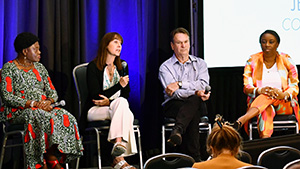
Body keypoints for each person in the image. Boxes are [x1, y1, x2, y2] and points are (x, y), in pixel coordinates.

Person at [0, 32, 83, 169]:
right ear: (25, 51)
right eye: (36, 49)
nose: (39, 52)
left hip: (42, 109)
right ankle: (40, 162)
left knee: (65, 116)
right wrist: (33, 104)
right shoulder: (9, 68)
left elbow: (52, 92)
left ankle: (53, 156)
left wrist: (48, 101)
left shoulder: (40, 68)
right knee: (38, 115)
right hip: (18, 112)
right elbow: (7, 96)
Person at [80, 32, 137, 169]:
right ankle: (119, 159)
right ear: (106, 45)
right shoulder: (94, 67)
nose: (119, 46)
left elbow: (126, 94)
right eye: (116, 42)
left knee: (122, 104)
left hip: (115, 108)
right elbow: (96, 96)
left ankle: (119, 155)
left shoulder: (122, 67)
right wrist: (118, 86)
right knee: (126, 113)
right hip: (95, 110)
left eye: (121, 44)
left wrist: (110, 102)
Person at [232, 30, 300, 138]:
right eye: (264, 42)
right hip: (261, 104)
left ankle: (242, 120)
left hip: (284, 103)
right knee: (266, 108)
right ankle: (266, 141)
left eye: (271, 42)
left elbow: (294, 85)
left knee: (266, 97)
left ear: (277, 44)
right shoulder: (252, 60)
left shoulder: (286, 59)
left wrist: (283, 94)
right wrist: (260, 91)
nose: (267, 45)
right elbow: (247, 87)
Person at [158, 27, 210, 161]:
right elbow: (173, 93)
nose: (183, 46)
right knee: (193, 105)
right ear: (172, 45)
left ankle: (178, 131)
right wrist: (195, 91)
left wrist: (180, 84)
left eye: (186, 42)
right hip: (173, 105)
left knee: (193, 104)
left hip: (195, 104)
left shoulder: (200, 64)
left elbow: (204, 84)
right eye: (179, 43)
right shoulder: (165, 67)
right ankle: (195, 158)